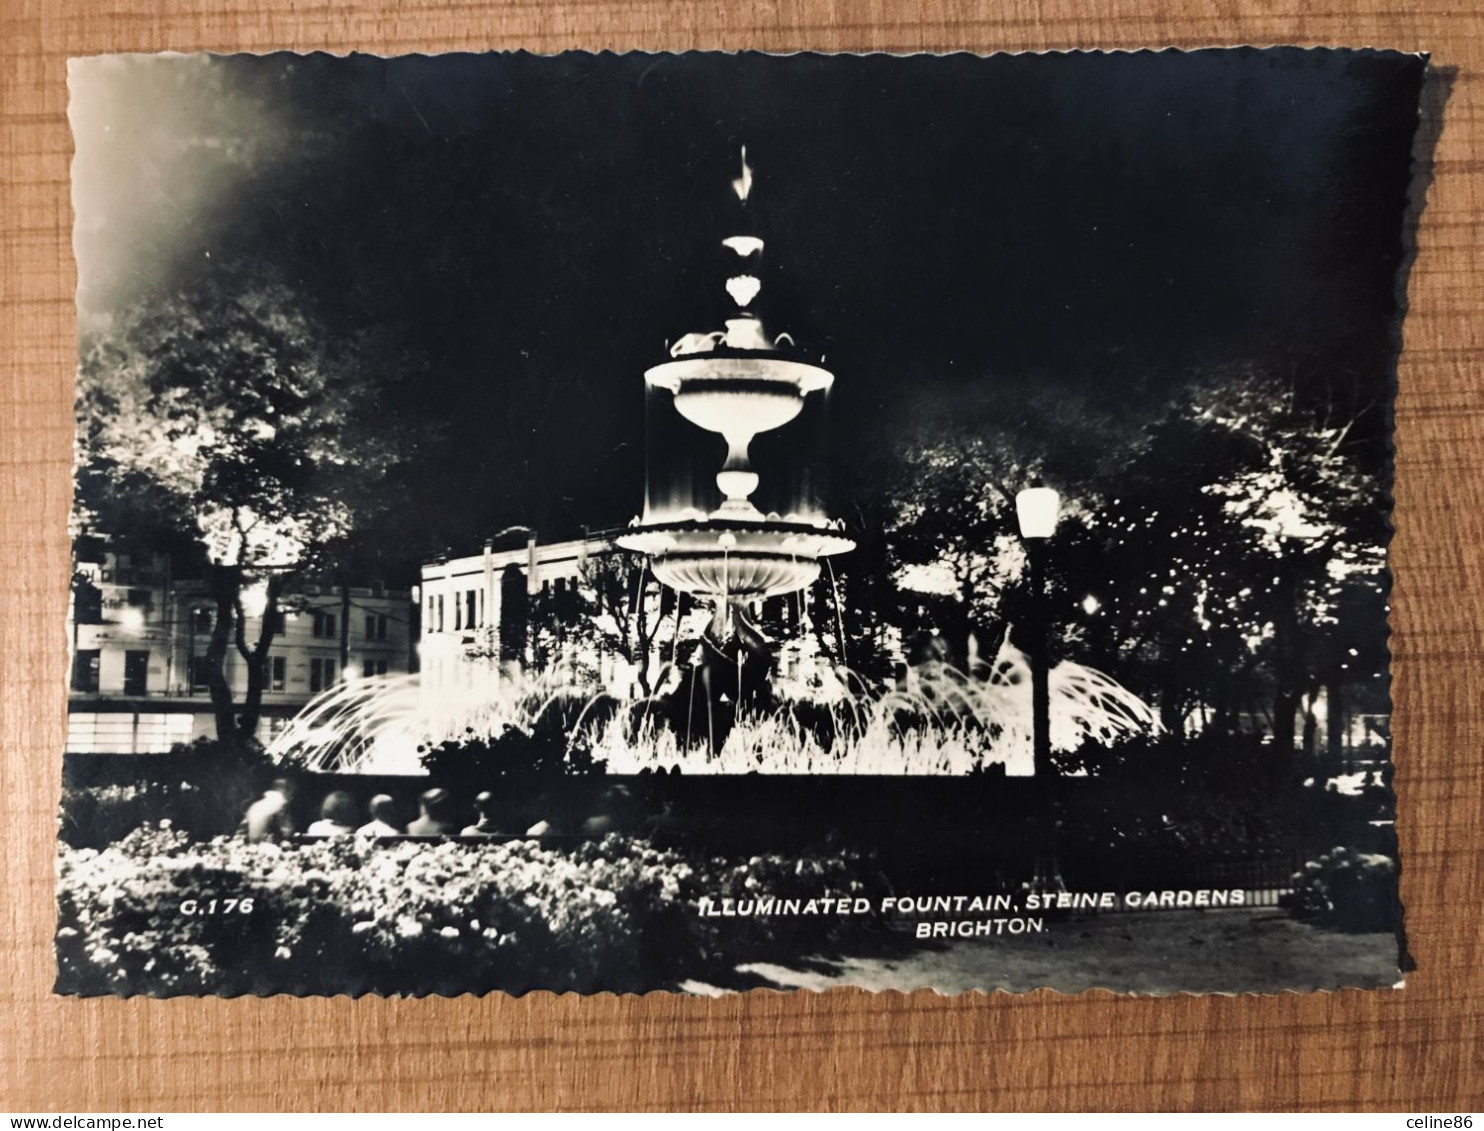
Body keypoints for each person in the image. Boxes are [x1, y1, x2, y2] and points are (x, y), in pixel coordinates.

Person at [241, 778, 296, 844]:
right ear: (285, 790)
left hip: (252, 845)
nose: (292, 796)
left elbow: (243, 828)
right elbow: (286, 832)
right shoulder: (281, 804)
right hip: (269, 847)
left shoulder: (256, 805)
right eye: (291, 792)